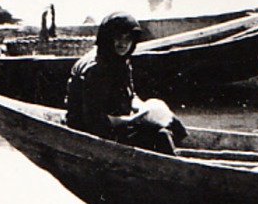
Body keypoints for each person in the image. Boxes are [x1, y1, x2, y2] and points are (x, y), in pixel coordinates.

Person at [65, 12, 187, 154]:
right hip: (89, 132)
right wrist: (132, 121)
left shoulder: (120, 60)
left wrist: (144, 108)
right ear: (107, 38)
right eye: (118, 37)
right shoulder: (95, 69)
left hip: (115, 121)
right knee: (161, 136)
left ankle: (179, 153)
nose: (123, 43)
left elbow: (130, 94)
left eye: (128, 38)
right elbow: (95, 120)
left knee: (170, 121)